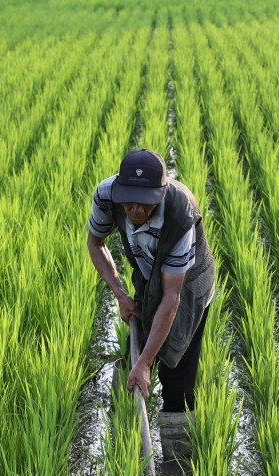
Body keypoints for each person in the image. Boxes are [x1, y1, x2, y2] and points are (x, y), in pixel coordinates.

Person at [86, 149, 215, 459]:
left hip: (188, 281)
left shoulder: (180, 214)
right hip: (147, 272)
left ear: (160, 192)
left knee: (176, 366)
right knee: (140, 342)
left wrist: (146, 362)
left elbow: (172, 299)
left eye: (145, 201)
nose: (136, 208)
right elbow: (96, 242)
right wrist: (121, 294)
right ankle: (127, 448)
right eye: (129, 199)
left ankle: (178, 456)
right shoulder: (106, 195)